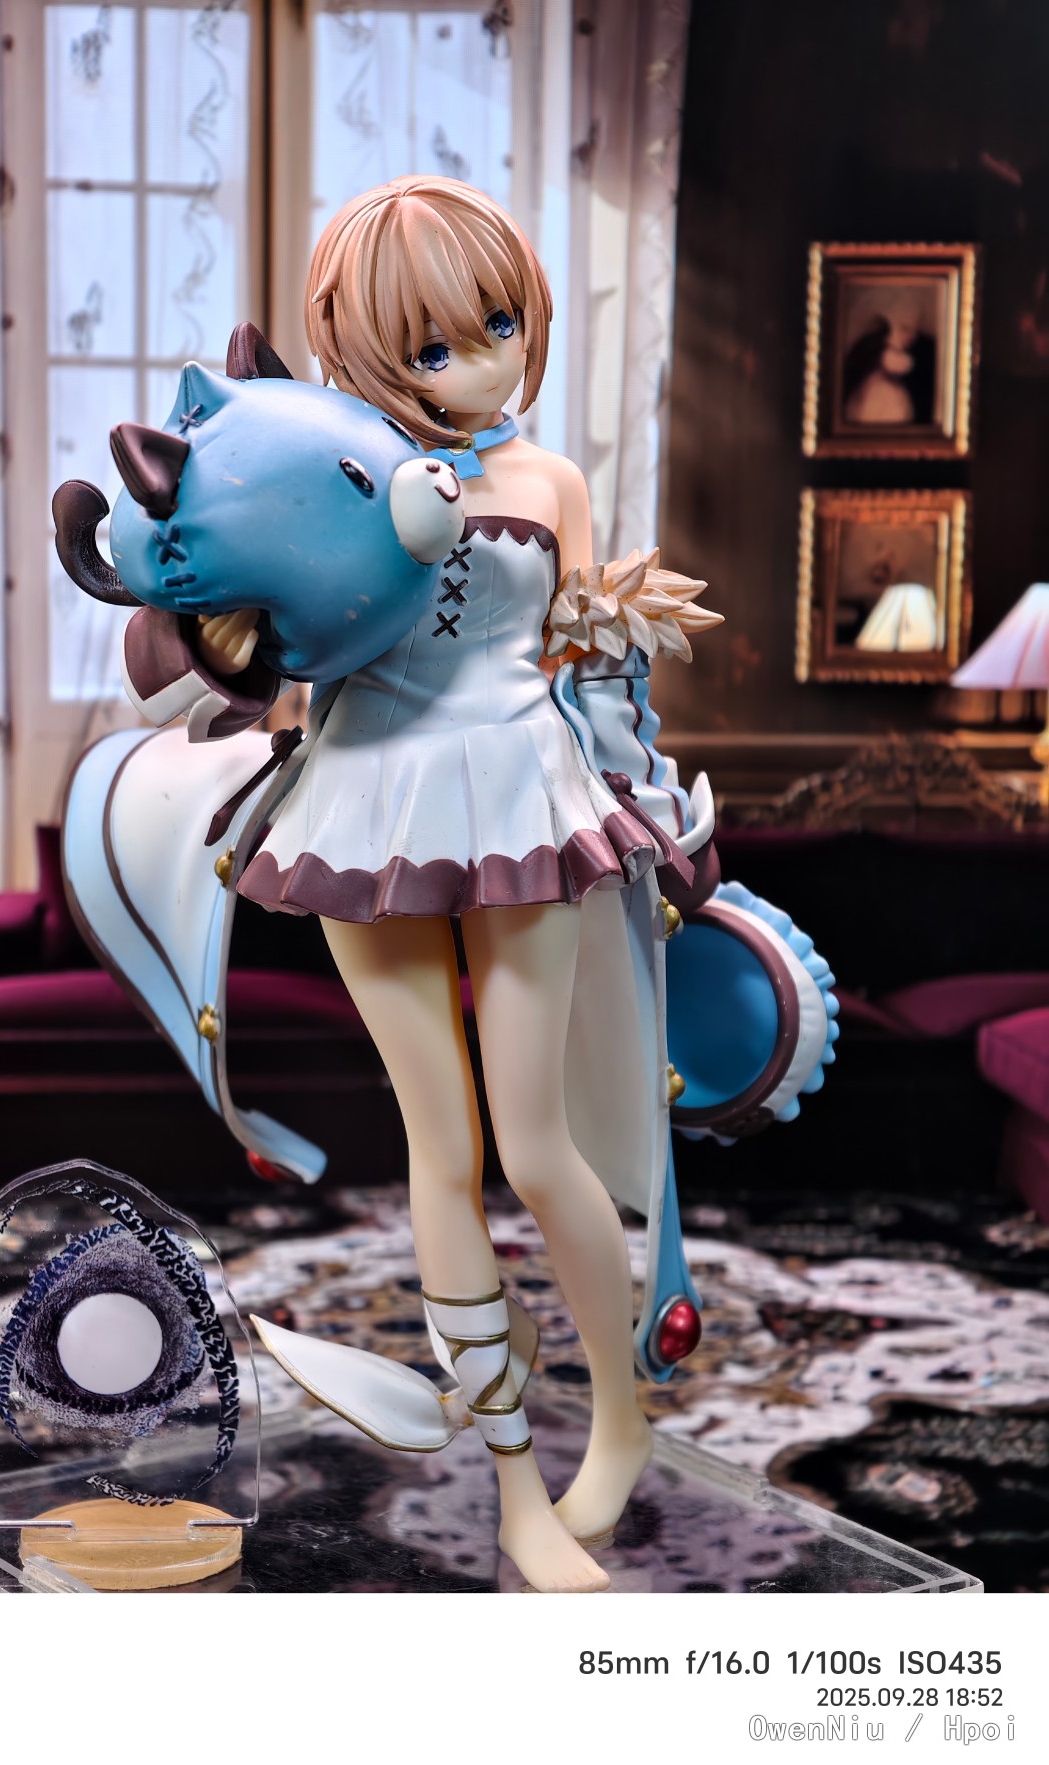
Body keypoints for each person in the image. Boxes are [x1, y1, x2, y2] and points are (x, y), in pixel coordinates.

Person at [198, 176, 711, 1592]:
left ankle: (621, 1417)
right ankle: (514, 1486)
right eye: (432, 346)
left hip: (526, 798)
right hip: (368, 807)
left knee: (538, 1143)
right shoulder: (331, 468)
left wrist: (647, 803)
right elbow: (285, 644)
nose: (481, 363)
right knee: (444, 1152)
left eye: (498, 325)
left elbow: (591, 665)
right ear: (363, 352)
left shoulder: (549, 484)